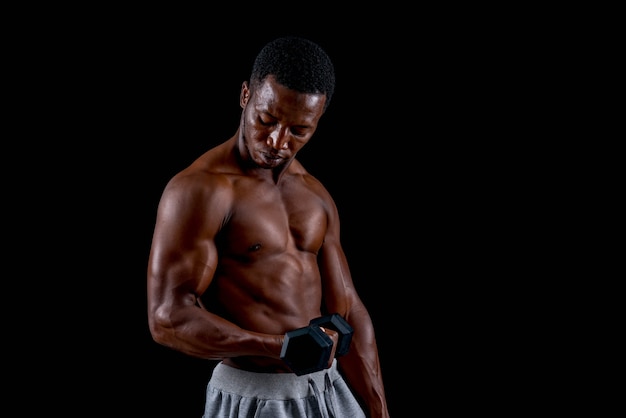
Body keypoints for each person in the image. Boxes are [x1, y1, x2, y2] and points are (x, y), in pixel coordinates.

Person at [147, 36, 390, 418]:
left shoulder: (314, 194)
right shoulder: (201, 190)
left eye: (299, 130)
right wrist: (277, 346)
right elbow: (167, 318)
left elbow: (350, 309)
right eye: (266, 119)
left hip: (329, 388)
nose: (278, 140)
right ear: (246, 95)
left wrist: (378, 408)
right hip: (257, 397)